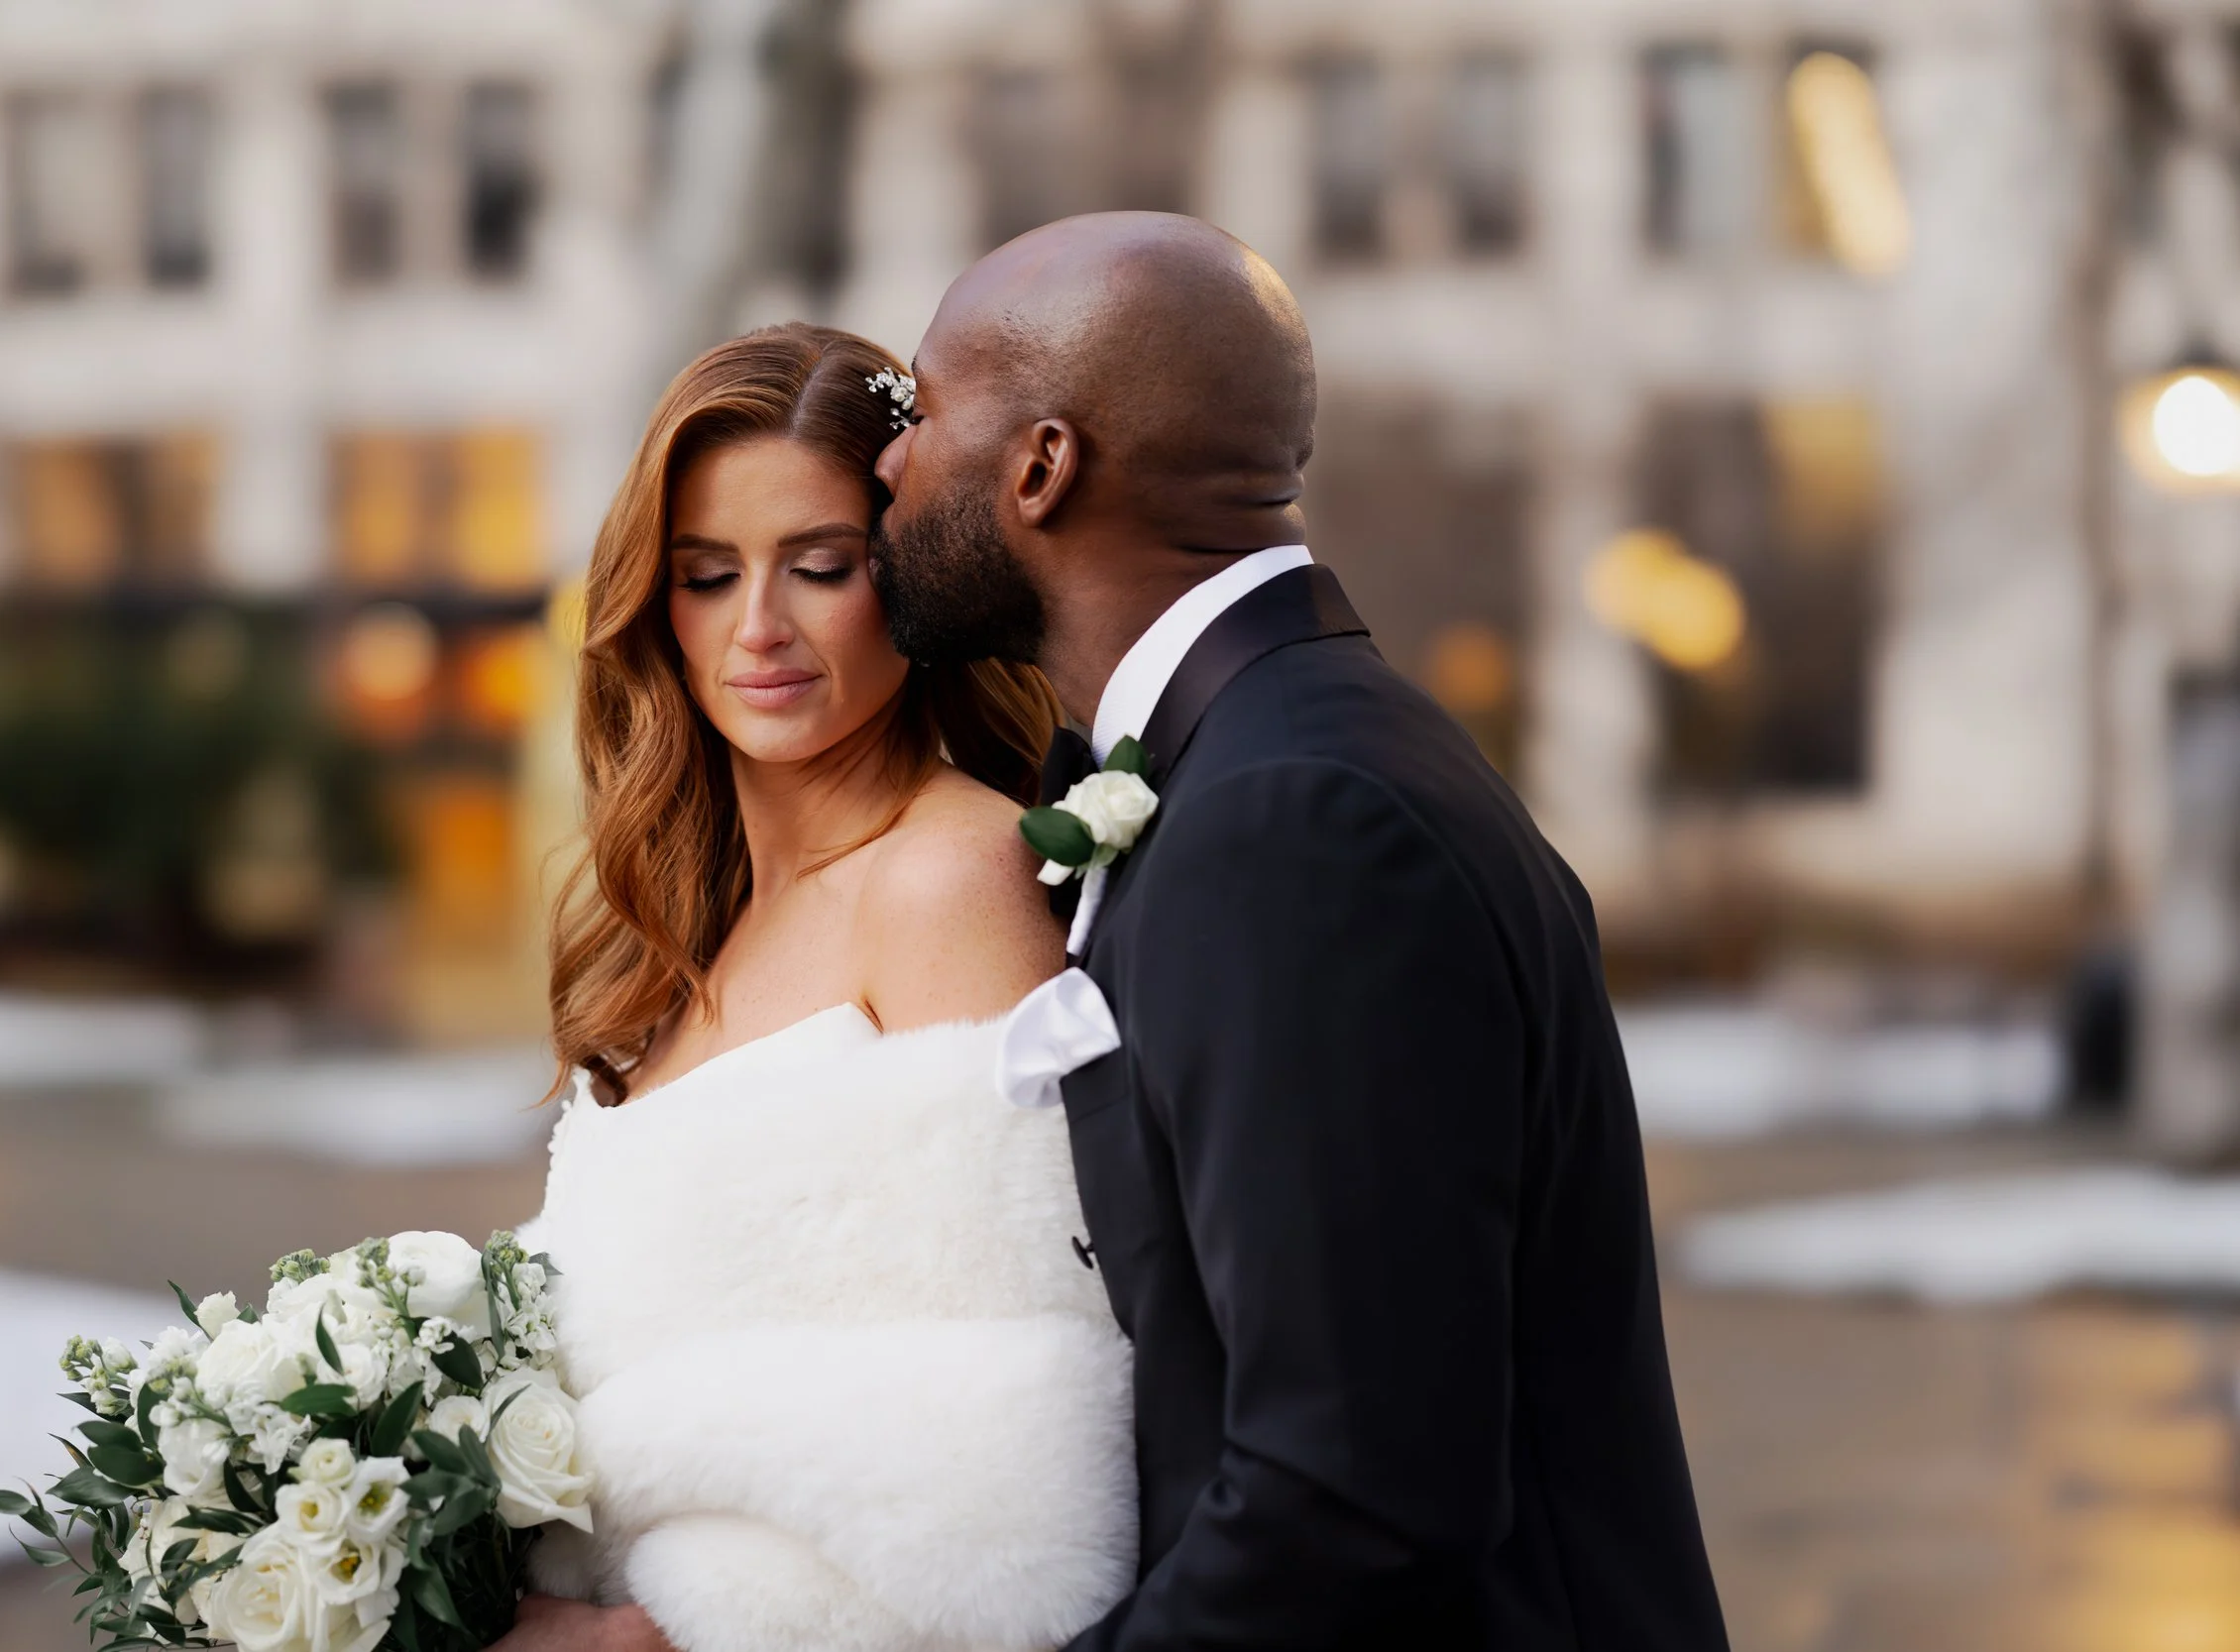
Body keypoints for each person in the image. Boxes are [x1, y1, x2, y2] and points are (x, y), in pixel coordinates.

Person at [871, 212, 1731, 1650]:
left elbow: (1352, 1499)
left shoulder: (1296, 829)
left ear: (1040, 466)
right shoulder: (1279, 759)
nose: (890, 464)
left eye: (925, 408)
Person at [493, 324, 1137, 1652]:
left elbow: (1024, 1458)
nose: (761, 628)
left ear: (904, 578)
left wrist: (655, 1635)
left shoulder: (947, 881)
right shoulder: (677, 915)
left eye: (822, 567)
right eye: (708, 574)